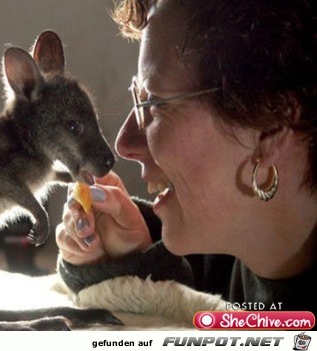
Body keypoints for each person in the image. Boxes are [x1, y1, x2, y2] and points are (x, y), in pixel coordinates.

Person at [55, 0, 317, 325]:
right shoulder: (223, 249)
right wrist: (133, 263)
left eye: (153, 104)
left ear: (270, 129)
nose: (122, 144)